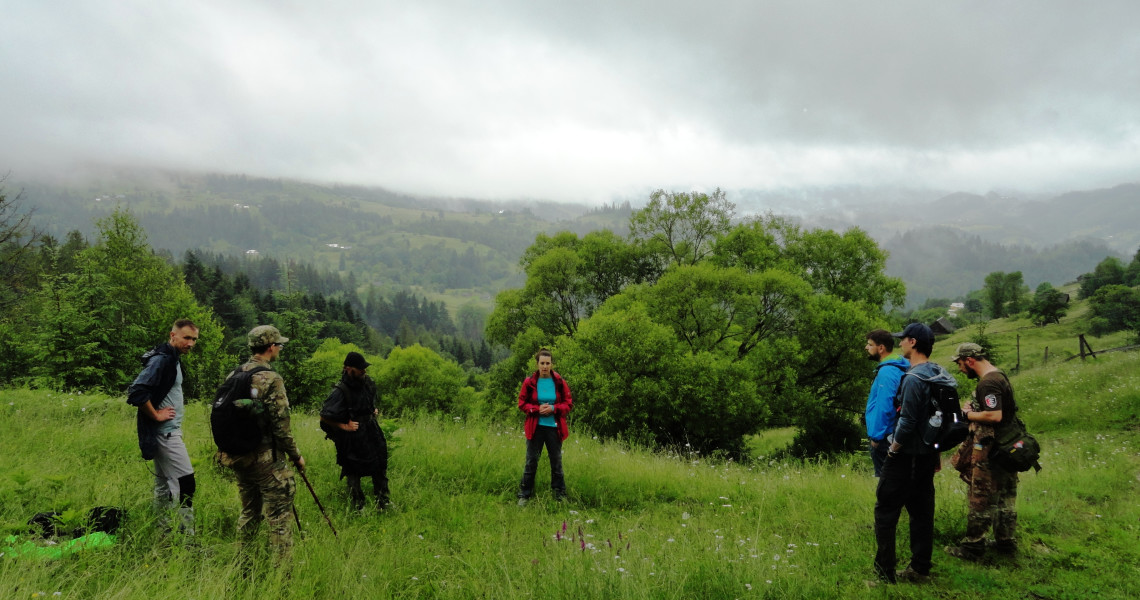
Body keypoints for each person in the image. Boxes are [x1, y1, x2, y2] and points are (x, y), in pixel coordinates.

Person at [873, 322, 956, 584]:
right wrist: (936, 452)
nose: (900, 343)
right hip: (926, 457)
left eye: (903, 339)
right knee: (922, 514)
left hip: (905, 457)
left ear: (913, 343)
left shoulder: (913, 378)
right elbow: (939, 418)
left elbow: (907, 422)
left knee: (885, 513)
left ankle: (884, 574)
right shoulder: (940, 374)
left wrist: (893, 450)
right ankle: (920, 569)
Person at [216, 325, 305, 564]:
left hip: (240, 456)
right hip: (268, 462)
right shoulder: (271, 378)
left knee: (249, 514)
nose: (280, 349)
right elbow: (281, 425)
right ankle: (283, 578)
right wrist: (296, 456)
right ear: (271, 347)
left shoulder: (234, 375)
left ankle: (243, 565)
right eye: (279, 345)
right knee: (279, 519)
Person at [945, 342, 1020, 560]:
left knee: (980, 495)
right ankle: (1006, 542)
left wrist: (965, 415)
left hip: (990, 448)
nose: (959, 368)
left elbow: (993, 415)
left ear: (969, 361)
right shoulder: (999, 376)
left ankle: (973, 546)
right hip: (1006, 446)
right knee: (1006, 494)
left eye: (960, 363)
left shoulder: (988, 383)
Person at [126, 319, 200, 535]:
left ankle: (163, 534)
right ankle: (188, 540)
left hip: (166, 432)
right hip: (166, 434)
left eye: (194, 339)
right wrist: (156, 415)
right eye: (186, 338)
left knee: (164, 487)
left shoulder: (173, 358)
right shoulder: (163, 360)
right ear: (172, 335)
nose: (191, 343)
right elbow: (137, 392)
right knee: (186, 482)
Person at [319, 351, 390, 511]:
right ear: (348, 369)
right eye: (360, 369)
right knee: (353, 468)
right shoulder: (340, 391)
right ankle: (358, 506)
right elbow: (324, 417)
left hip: (371, 430)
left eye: (364, 368)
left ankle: (383, 501)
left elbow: (369, 400)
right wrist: (344, 426)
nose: (364, 371)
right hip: (353, 437)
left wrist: (372, 410)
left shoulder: (366, 382)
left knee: (379, 463)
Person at [516, 348, 573, 506]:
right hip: (535, 427)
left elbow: (568, 404)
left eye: (548, 363)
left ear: (551, 364)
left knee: (556, 461)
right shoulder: (530, 382)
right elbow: (522, 403)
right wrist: (535, 409)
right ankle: (524, 494)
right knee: (531, 461)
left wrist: (554, 409)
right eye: (542, 363)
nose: (545, 366)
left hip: (554, 428)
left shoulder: (559, 382)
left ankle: (559, 494)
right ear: (537, 364)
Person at [864, 329, 908, 477]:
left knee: (886, 483)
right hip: (894, 433)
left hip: (885, 437)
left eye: (870, 344)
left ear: (881, 348)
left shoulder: (887, 372)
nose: (866, 348)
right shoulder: (899, 366)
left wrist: (876, 437)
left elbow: (885, 406)